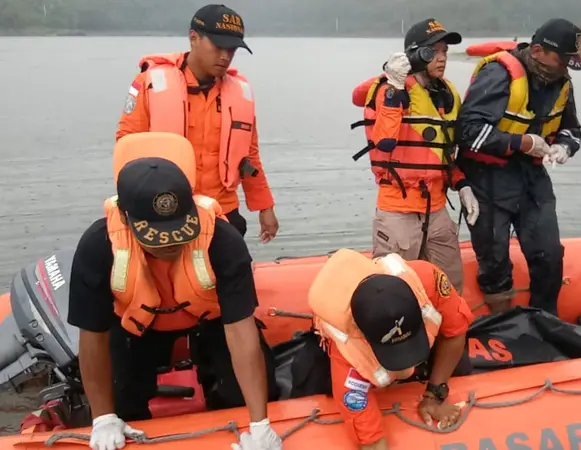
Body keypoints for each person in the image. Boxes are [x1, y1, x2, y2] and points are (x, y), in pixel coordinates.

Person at [67, 132, 281, 450]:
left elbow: (240, 329)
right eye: (157, 236)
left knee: (247, 393)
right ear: (126, 218)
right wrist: (102, 417)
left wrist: (260, 423)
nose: (171, 244)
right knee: (123, 404)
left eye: (179, 232)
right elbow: (93, 336)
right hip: (136, 326)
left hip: (209, 319)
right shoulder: (98, 245)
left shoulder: (221, 239)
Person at [116, 4, 279, 242]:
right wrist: (128, 203)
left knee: (236, 272)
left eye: (232, 49)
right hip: (165, 210)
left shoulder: (240, 94)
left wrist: (265, 207)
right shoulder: (151, 84)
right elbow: (126, 148)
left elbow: (249, 157)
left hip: (223, 211)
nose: (225, 56)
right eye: (218, 46)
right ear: (194, 38)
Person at [454, 18, 581, 314]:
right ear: (537, 51)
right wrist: (522, 142)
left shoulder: (562, 82)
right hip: (486, 177)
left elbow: (572, 128)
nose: (565, 67)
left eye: (569, 61)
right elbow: (467, 131)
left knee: (549, 254)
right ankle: (502, 321)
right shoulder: (499, 74)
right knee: (494, 257)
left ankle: (545, 318)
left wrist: (564, 146)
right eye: (562, 59)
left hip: (531, 178)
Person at [350, 18, 479, 294]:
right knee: (395, 293)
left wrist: (462, 184)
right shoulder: (388, 91)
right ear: (417, 54)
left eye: (445, 51)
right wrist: (395, 89)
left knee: (450, 288)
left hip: (437, 209)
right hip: (397, 211)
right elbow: (384, 142)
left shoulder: (446, 96)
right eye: (435, 51)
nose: (442, 58)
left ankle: (447, 335)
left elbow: (446, 154)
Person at [308, 248, 474, 450]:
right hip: (348, 335)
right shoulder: (346, 347)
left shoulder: (428, 281)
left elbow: (456, 330)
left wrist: (434, 395)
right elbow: (369, 436)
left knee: (462, 366)